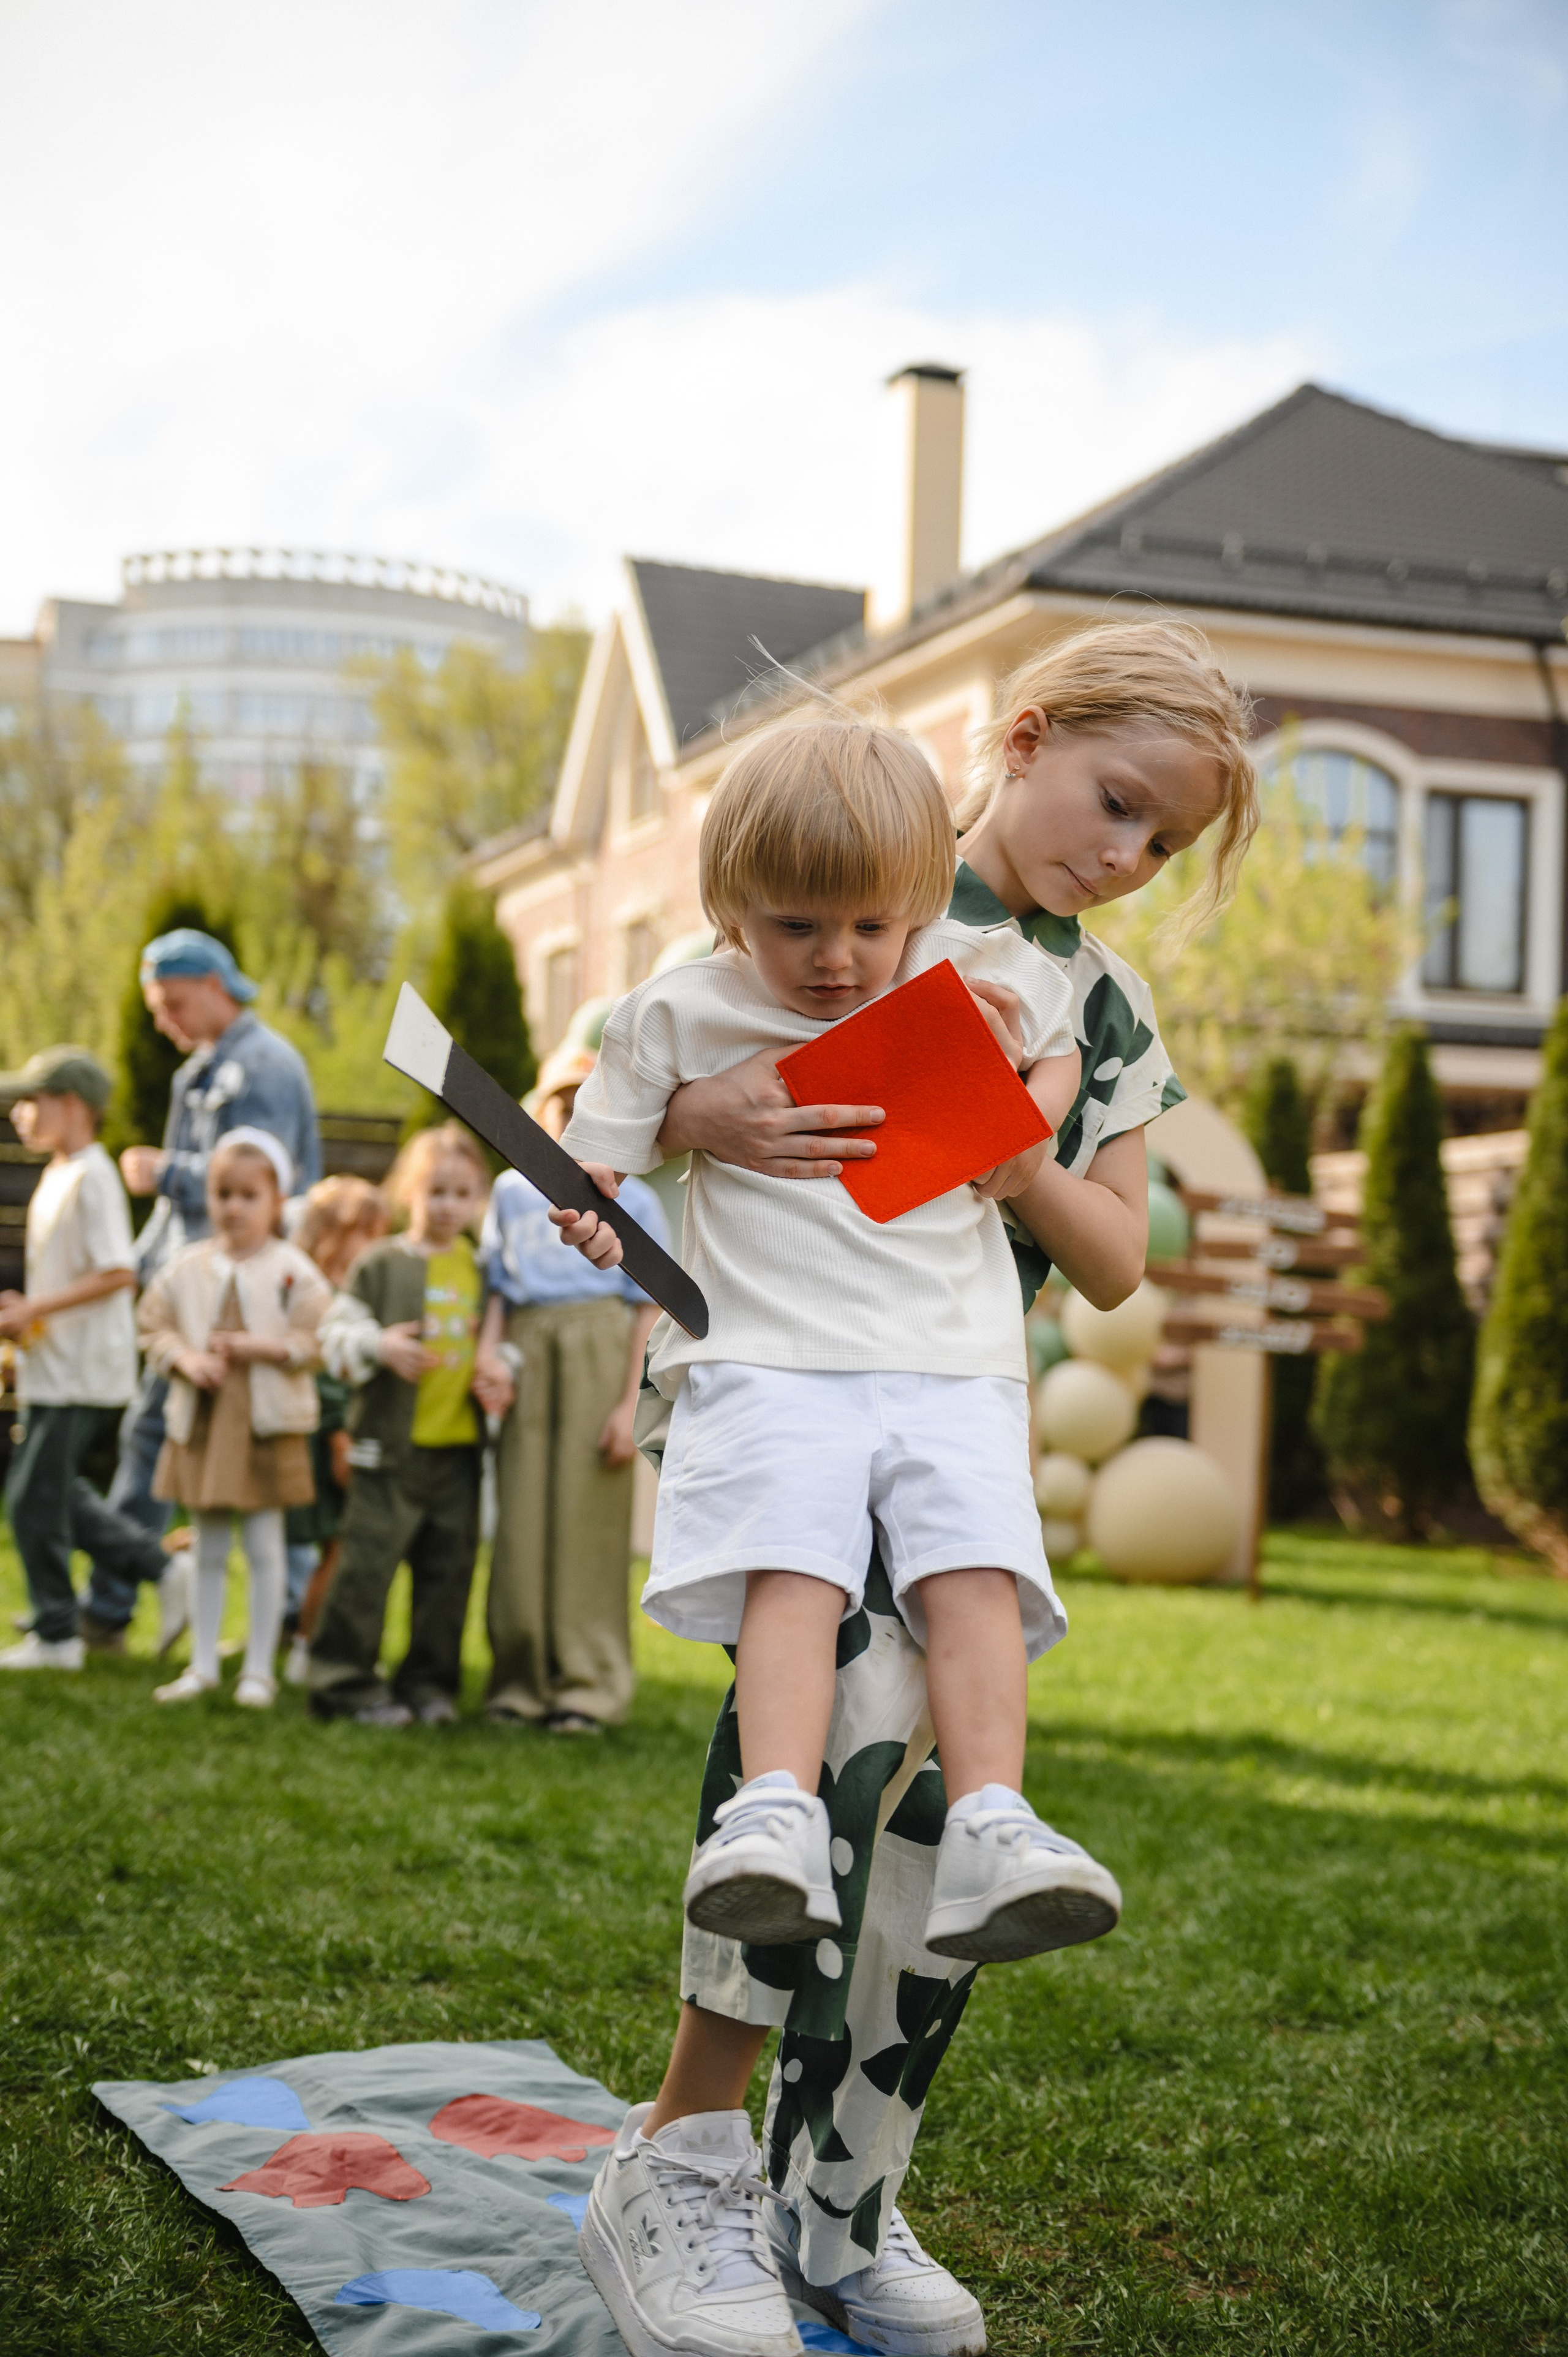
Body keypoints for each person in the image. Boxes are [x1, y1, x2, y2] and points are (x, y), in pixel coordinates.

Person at [571, 620, 1257, 2357]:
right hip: (783, 1383)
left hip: (946, 1411)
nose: (1128, 855)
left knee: (945, 1819)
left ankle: (842, 2189)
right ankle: (683, 2149)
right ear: (1023, 738)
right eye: (1116, 802)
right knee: (824, 1755)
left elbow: (1115, 1259)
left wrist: (1013, 1153)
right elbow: (618, 1089)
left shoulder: (1099, 1004)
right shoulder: (837, 865)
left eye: (1163, 840)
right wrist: (706, 1119)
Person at [83, 929, 321, 1651]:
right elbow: (179, 1213)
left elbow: (256, 1182)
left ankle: (284, 1614)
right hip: (192, 1288)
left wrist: (168, 1172)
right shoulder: (199, 1069)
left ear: (216, 987)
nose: (164, 1021)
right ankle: (121, 1604)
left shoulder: (264, 1067)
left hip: (244, 1298)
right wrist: (137, 1264)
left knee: (255, 1444)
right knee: (160, 1436)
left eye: (174, 1003)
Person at [477, 1043, 667, 1734]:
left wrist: (629, 1402)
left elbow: (645, 1307)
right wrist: (488, 1356)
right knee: (523, 1513)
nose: (571, 1116)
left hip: (600, 1345)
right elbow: (497, 1287)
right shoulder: (509, 1192)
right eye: (561, 1103)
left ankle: (587, 1685)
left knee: (587, 1515)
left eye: (587, 1105)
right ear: (539, 1109)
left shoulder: (632, 1197)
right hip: (529, 1345)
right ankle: (519, 1680)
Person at [306, 1123, 511, 1728]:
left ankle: (428, 1684)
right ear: (408, 1193)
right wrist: (380, 1345)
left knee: (448, 1575)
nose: (448, 1206)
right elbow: (333, 1336)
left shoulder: (483, 1270)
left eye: (462, 1193)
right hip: (386, 1453)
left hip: (458, 1454)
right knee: (366, 1571)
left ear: (477, 1199)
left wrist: (501, 1372)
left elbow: (500, 1344)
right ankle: (344, 1683)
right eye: (435, 1191)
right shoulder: (379, 1264)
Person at [0, 1048, 182, 1670]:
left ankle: (57, 1635)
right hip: (52, 1365)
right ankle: (165, 1570)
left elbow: (118, 1273)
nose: (20, 1114)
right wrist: (27, 1320)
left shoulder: (94, 1176)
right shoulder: (60, 1172)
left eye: (33, 1101)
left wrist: (33, 1308)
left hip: (81, 1370)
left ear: (73, 1105)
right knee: (51, 1492)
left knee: (33, 1498)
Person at [136, 1130, 331, 1709]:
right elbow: (153, 1325)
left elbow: (318, 1339)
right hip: (205, 1422)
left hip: (267, 1424)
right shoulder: (185, 1268)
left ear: (277, 1201)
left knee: (266, 1546)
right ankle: (202, 1666)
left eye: (249, 1196)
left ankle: (258, 1673)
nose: (235, 1208)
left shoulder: (294, 1270)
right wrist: (186, 1360)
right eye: (224, 1194)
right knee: (210, 1544)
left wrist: (263, 1348)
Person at [278, 1175, 392, 1687]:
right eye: (364, 1232)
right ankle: (309, 1646)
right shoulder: (324, 1294)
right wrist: (339, 1439)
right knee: (339, 1550)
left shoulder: (353, 1288)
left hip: (349, 1434)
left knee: (344, 1549)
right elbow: (327, 1380)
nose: (374, 1244)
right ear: (331, 1234)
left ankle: (325, 1643)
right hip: (331, 1441)